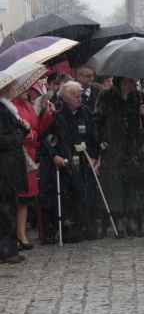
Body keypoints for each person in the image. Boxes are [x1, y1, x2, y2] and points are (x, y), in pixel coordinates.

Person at [94, 77, 144, 238]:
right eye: (129, 80)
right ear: (120, 81)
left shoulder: (140, 96)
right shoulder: (106, 96)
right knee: (115, 185)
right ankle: (118, 221)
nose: (133, 82)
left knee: (134, 184)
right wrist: (100, 140)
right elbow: (97, 120)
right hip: (113, 147)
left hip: (134, 147)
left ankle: (132, 221)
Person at [39, 81, 100, 242]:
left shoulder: (85, 111)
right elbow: (44, 137)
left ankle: (83, 226)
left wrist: (94, 155)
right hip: (59, 161)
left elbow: (93, 135)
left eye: (81, 95)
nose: (80, 99)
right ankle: (52, 231)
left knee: (84, 194)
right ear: (65, 98)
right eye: (76, 96)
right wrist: (54, 156)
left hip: (81, 160)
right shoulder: (54, 110)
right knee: (56, 197)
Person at [12, 86, 55, 249]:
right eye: (23, 88)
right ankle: (14, 235)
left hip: (30, 154)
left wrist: (48, 116)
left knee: (26, 197)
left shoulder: (28, 106)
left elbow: (38, 128)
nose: (28, 91)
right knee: (17, 195)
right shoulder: (12, 106)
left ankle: (21, 233)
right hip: (20, 153)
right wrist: (30, 134)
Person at [0, 81, 29, 264]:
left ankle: (10, 247)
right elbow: (3, 140)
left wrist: (23, 129)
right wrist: (20, 133)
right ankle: (6, 250)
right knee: (5, 210)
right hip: (4, 167)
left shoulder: (8, 109)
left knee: (10, 206)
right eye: (14, 86)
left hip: (10, 166)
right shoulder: (2, 110)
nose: (17, 89)